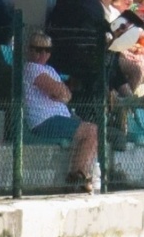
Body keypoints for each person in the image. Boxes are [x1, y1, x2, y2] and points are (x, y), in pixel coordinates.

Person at [23, 33, 99, 189]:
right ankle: (78, 175)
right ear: (30, 50)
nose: (43, 54)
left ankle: (82, 174)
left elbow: (67, 95)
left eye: (47, 50)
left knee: (94, 129)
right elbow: (59, 91)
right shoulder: (31, 68)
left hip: (59, 118)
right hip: (44, 121)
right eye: (38, 49)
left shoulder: (49, 69)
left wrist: (60, 93)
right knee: (91, 130)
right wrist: (60, 93)